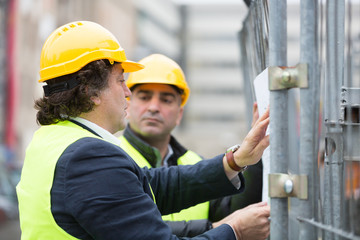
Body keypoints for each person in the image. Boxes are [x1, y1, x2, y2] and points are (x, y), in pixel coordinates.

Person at [16, 20, 270, 240]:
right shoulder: (88, 157)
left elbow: (149, 186)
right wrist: (235, 230)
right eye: (120, 81)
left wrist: (235, 161)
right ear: (90, 91)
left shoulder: (51, 140)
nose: (127, 93)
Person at [120, 54, 264, 237]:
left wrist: (256, 157)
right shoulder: (111, 157)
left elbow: (234, 214)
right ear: (127, 105)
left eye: (166, 100)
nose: (153, 107)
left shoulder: (197, 163)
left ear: (179, 113)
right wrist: (213, 227)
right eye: (145, 97)